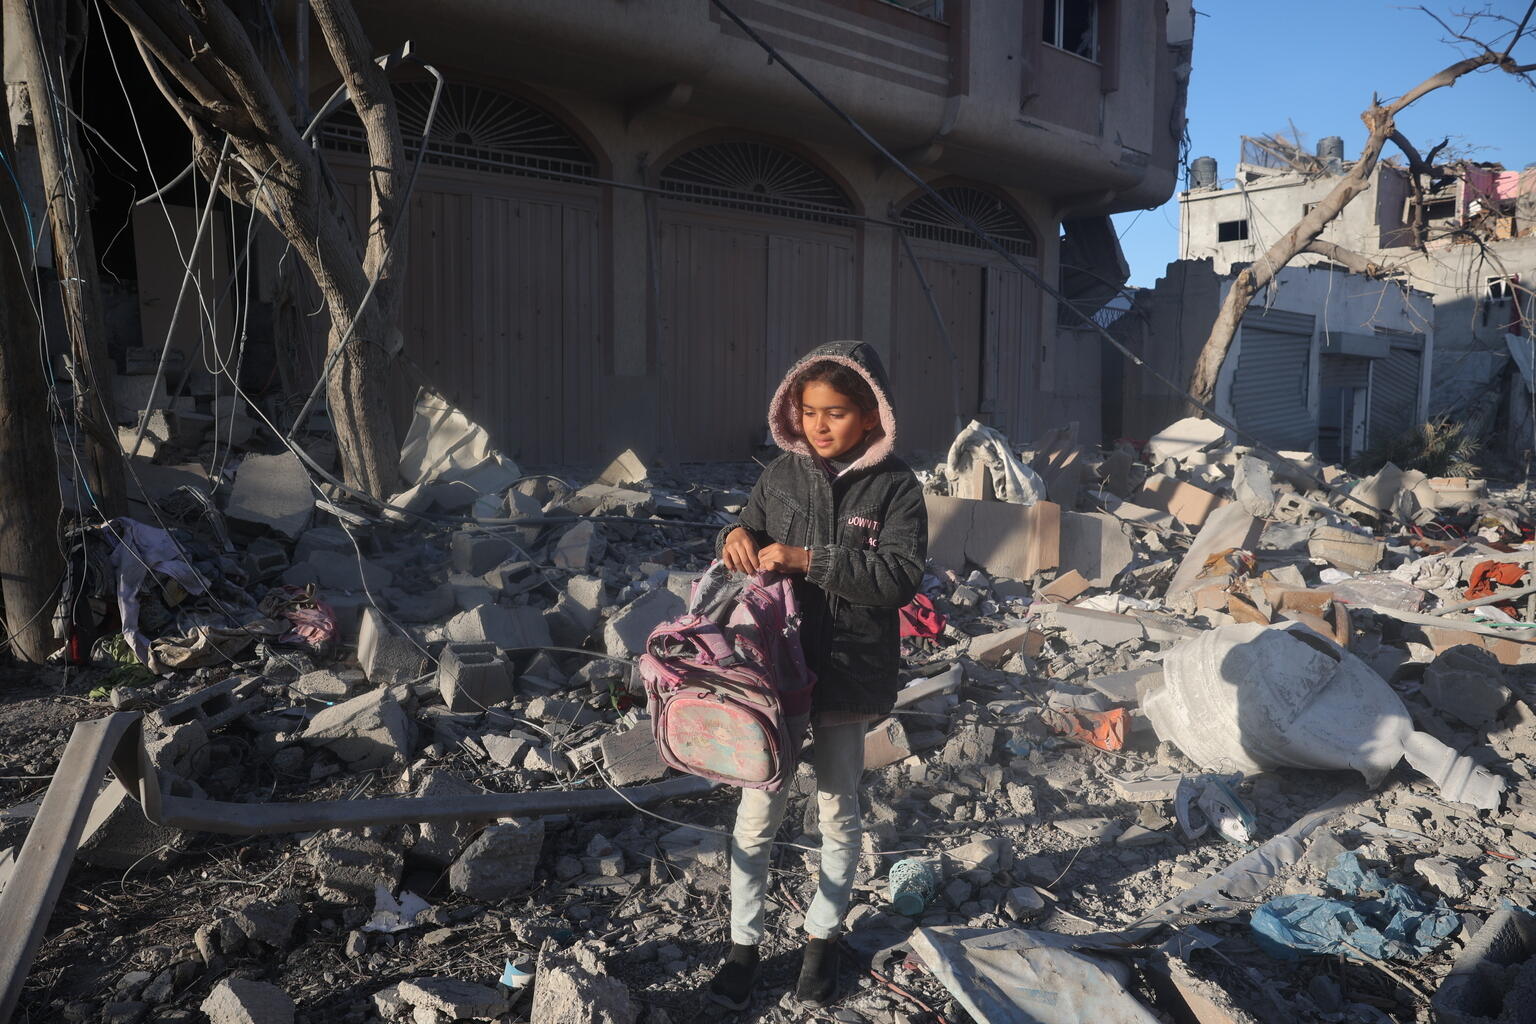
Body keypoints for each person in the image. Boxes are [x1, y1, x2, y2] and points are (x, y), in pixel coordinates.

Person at [706, 340, 927, 1010]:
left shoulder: (895, 486)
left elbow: (897, 577)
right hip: (771, 678)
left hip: (846, 676)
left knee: (837, 809)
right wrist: (733, 539)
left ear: (869, 416)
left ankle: (821, 941)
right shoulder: (780, 476)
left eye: (835, 412)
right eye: (808, 412)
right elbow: (745, 525)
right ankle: (743, 946)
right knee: (756, 816)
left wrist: (810, 558)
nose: (820, 425)